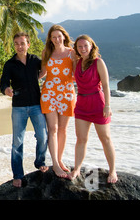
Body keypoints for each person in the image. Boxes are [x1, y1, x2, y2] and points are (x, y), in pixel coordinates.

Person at [0, 32, 48, 188]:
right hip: (19, 107)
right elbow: (4, 82)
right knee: (17, 141)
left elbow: (45, 69)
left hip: (36, 105)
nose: (19, 46)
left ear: (28, 44)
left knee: (42, 136)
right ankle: (18, 174)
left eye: (22, 43)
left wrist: (39, 77)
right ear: (14, 45)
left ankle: (40, 161)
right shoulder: (10, 64)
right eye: (16, 43)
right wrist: (6, 89)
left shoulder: (35, 60)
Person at [70, 35, 118, 183]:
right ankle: (77, 168)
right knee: (81, 139)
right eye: (80, 46)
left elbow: (106, 85)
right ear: (77, 49)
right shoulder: (76, 62)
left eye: (85, 46)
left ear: (91, 46)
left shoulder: (99, 62)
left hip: (98, 103)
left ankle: (112, 170)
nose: (83, 48)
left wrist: (108, 105)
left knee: (105, 138)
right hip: (82, 104)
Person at [40, 25, 77, 179]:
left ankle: (60, 159)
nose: (56, 39)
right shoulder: (46, 53)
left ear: (64, 36)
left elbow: (76, 73)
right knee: (53, 128)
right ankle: (55, 163)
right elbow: (42, 73)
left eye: (59, 36)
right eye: (53, 37)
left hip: (67, 93)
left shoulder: (72, 53)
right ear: (50, 39)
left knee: (62, 129)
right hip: (49, 93)